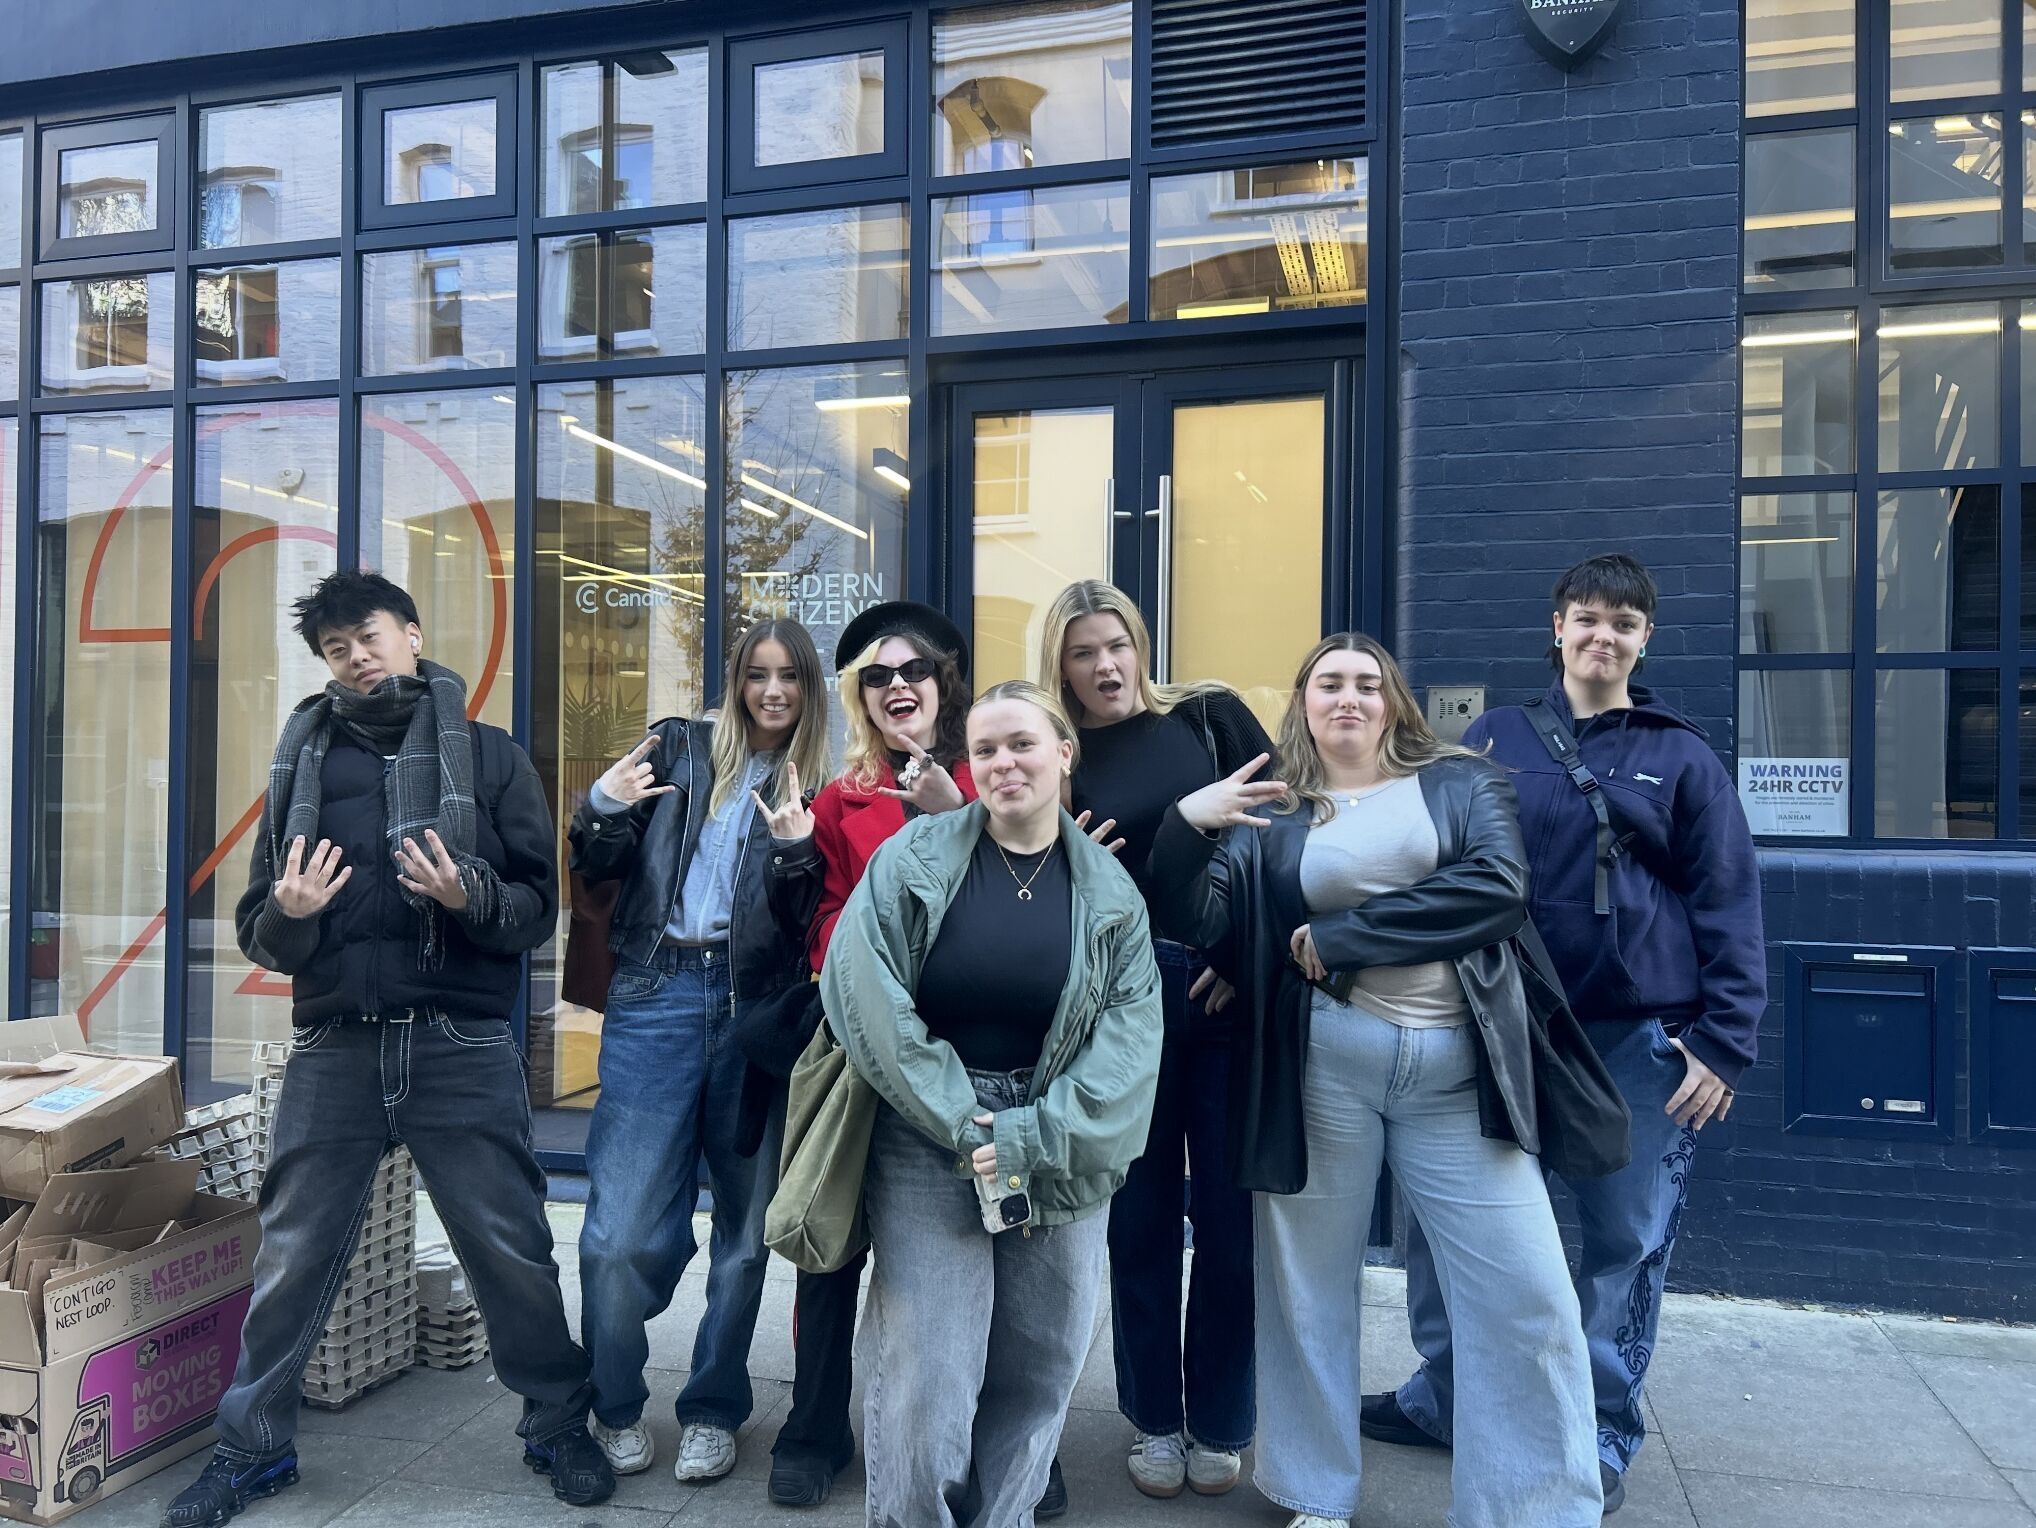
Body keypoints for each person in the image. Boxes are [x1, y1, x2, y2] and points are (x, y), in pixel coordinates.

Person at [164, 571, 612, 1528]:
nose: (356, 657)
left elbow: (536, 912)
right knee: (291, 1255)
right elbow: (260, 930)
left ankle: (556, 1422)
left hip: (459, 1042)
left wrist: (465, 895)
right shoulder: (303, 766)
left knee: (511, 1249)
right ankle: (252, 1450)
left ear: (411, 633)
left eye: (368, 636)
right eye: (336, 648)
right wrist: (289, 914)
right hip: (335, 1046)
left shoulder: (489, 757)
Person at [1148, 632, 1602, 1528]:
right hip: (1322, 1071)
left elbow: (1497, 888)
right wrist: (1185, 826)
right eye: (1329, 684)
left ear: (1393, 700)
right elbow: (1202, 921)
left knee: (1528, 1295)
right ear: (1304, 704)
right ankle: (1315, 1492)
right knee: (1307, 1290)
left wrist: (1345, 937)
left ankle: (1536, 1507)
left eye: (1366, 682)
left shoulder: (1462, 782)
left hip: (1457, 1076)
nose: (1348, 698)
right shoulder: (1276, 813)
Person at [1364, 554, 1764, 1515]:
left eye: (1623, 624)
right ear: (1557, 628)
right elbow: (1437, 862)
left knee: (1624, 1241)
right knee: (1448, 1227)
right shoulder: (1494, 736)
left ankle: (1597, 1430)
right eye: (1588, 618)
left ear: (1645, 639)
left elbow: (1729, 899)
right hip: (1500, 1026)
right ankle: (1446, 1396)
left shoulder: (1683, 758)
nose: (1603, 637)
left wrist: (1723, 1041)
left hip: (1635, 1042)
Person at [824, 681, 1163, 1528]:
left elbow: (1129, 1044)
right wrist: (960, 1117)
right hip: (930, 1133)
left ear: (1063, 752)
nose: (1004, 763)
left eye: (1022, 744)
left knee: (1040, 1365)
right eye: (985, 750)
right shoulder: (915, 857)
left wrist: (1031, 1135)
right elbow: (862, 994)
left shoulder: (1111, 893)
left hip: (1058, 1140)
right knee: (928, 1371)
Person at [569, 619, 830, 1484]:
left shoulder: (816, 780)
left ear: (809, 687)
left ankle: (715, 1407)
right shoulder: (678, 749)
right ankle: (613, 1403)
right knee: (617, 1235)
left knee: (747, 1234)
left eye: (789, 676)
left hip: (755, 1007)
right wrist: (601, 805)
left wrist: (795, 851)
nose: (772, 691)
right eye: (757, 673)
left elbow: (804, 920)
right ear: (735, 680)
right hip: (656, 991)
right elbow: (598, 859)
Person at [1038, 580, 1271, 1499]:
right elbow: (1041, 890)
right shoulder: (1060, 757)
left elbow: (1280, 835)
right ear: (1060, 666)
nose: (1105, 667)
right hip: (1123, 1004)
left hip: (1218, 992)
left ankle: (1220, 1419)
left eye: (1117, 645)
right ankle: (1154, 1421)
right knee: (1137, 1223)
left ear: (1141, 645)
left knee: (1229, 1224)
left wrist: (1247, 956)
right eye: (1083, 653)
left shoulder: (1208, 719)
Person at [761, 601, 983, 1509]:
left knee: (973, 1255)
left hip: (969, 1049)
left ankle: (986, 1444)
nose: (898, 686)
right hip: (856, 1045)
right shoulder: (840, 796)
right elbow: (815, 913)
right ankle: (814, 1429)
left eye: (913, 670)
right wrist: (797, 869)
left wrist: (956, 814)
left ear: (943, 683)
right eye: (878, 676)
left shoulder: (988, 775)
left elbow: (1024, 891)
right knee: (829, 1241)